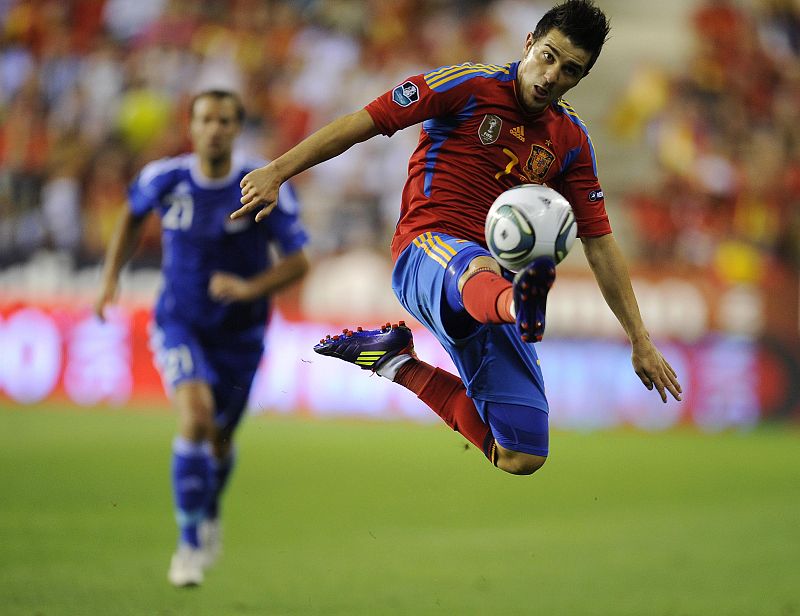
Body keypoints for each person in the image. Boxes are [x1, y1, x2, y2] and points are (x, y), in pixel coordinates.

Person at [232, 0, 682, 476]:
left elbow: (600, 242)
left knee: (522, 454)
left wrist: (641, 340)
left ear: (580, 78)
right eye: (548, 56)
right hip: (426, 251)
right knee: (478, 266)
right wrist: (278, 171)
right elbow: (363, 122)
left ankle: (394, 363)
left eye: (570, 70)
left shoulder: (571, 141)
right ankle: (519, 305)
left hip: (489, 292)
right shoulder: (466, 84)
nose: (552, 76)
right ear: (528, 44)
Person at [95, 90, 310, 587]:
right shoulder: (162, 178)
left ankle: (208, 510)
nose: (214, 129)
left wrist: (248, 288)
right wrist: (111, 277)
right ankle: (190, 543)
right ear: (190, 127)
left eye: (225, 121)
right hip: (179, 321)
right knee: (194, 418)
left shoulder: (261, 184)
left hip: (241, 333)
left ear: (237, 129)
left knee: (220, 439)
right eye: (206, 120)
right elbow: (130, 216)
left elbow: (299, 262)